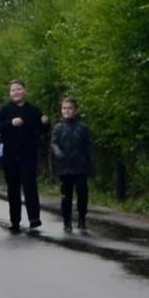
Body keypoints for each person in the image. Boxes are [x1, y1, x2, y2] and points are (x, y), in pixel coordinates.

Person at [0, 79, 47, 233]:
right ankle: (15, 220)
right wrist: (10, 123)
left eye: (19, 89)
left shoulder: (33, 110)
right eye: (13, 90)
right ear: (10, 94)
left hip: (28, 154)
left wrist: (45, 123)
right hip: (10, 155)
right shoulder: (5, 110)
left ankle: (34, 218)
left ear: (25, 91)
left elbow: (42, 131)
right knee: (13, 189)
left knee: (30, 186)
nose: (16, 92)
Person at [51, 95, 95, 234]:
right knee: (66, 196)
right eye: (64, 108)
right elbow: (54, 143)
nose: (67, 111)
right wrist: (58, 153)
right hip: (65, 167)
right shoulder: (58, 128)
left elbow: (89, 147)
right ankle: (67, 221)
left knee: (82, 194)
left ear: (76, 110)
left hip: (80, 166)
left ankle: (82, 218)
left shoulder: (83, 128)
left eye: (70, 108)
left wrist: (91, 164)